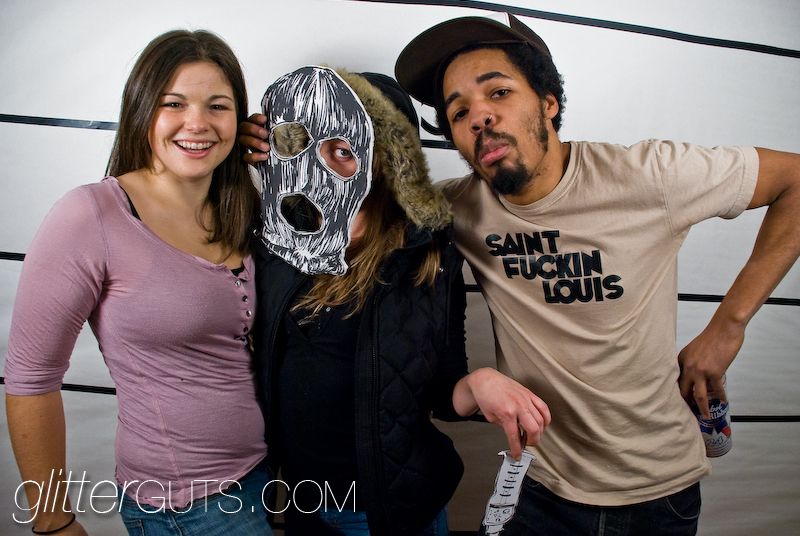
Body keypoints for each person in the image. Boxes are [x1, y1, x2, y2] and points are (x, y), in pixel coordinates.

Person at [385, 13, 800, 536]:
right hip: (539, 489)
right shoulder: (456, 210)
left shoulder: (648, 176)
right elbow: (352, 207)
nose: (479, 117)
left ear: (548, 102)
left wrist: (728, 326)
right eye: (459, 111)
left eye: (499, 93)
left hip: (657, 494)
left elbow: (795, 180)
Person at [247, 68, 550, 536]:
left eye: (345, 151)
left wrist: (482, 383)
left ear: (386, 158)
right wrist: (239, 152)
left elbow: (442, 393)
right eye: (313, 145)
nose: (324, 167)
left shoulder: (426, 254)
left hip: (392, 513)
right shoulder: (277, 235)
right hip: (301, 505)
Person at [4, 30, 272, 536]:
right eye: (175, 103)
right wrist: (53, 520)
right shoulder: (91, 216)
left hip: (265, 476)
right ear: (143, 109)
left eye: (218, 106)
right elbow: (30, 380)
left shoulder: (243, 207)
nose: (198, 122)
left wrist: (278, 157)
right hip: (189, 507)